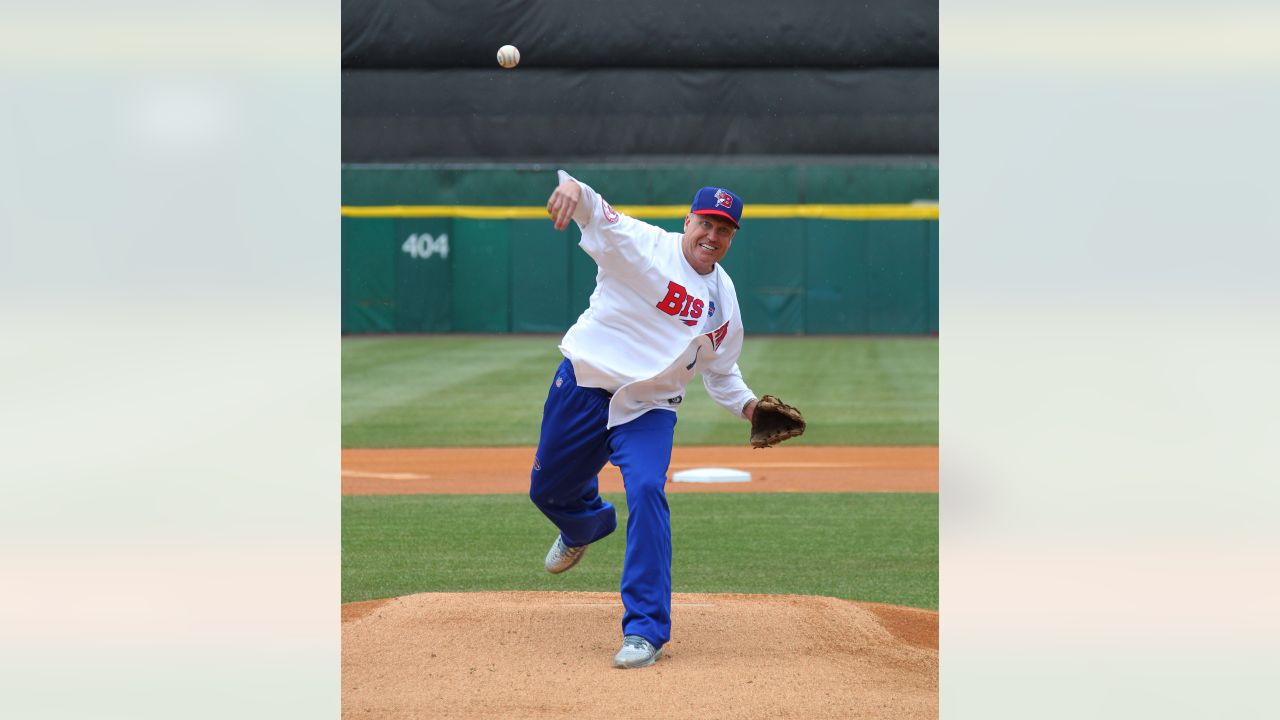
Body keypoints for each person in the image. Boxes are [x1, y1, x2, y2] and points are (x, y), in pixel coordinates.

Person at [529, 169, 759, 669]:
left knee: (649, 492)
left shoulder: (723, 302)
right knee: (547, 492)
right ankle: (584, 525)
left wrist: (750, 407)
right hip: (586, 383)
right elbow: (592, 206)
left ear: (732, 237)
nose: (712, 236)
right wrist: (572, 187)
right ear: (688, 220)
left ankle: (646, 630)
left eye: (724, 230)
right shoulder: (641, 244)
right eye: (706, 224)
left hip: (650, 407)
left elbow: (721, 371)